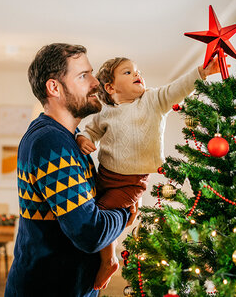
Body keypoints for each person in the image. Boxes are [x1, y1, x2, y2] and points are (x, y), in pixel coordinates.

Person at [4, 43, 138, 297]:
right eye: (83, 75)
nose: (96, 82)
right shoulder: (49, 141)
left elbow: (94, 204)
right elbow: (90, 232)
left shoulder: (70, 138)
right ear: (54, 87)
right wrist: (126, 208)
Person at [76, 56, 220, 289]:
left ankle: (109, 261)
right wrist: (83, 138)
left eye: (137, 71)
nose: (136, 74)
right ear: (110, 88)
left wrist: (202, 72)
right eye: (128, 72)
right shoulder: (106, 112)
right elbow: (91, 130)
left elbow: (177, 89)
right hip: (105, 176)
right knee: (93, 205)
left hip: (132, 181)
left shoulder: (152, 100)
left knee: (102, 214)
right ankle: (105, 244)